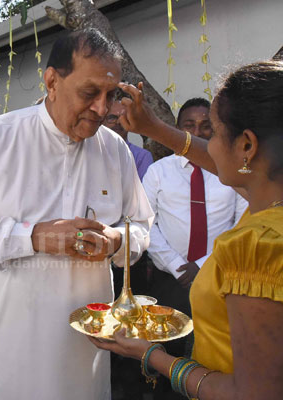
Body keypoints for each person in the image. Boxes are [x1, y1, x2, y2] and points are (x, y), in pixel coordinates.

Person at [0, 29, 153, 400]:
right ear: (52, 81)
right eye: (89, 93)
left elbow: (142, 227)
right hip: (9, 343)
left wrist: (116, 240)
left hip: (86, 350)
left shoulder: (114, 151)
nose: (103, 109)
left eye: (111, 95)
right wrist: (32, 237)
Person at [90, 60, 283, 399]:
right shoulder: (269, 200)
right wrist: (153, 127)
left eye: (216, 132)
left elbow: (251, 393)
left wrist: (152, 356)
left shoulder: (257, 246)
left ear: (247, 146)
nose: (205, 144)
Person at [144, 97, 247, 318]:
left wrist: (202, 265)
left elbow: (241, 225)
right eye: (189, 125)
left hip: (221, 276)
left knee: (215, 344)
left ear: (217, 130)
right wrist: (176, 265)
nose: (197, 132)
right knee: (170, 343)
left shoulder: (232, 172)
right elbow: (145, 221)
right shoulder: (158, 171)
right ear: (178, 129)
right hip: (170, 279)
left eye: (206, 125)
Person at [103, 93, 154, 180]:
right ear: (102, 121)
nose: (118, 122)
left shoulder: (141, 156)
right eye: (112, 117)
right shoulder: (91, 150)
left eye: (124, 118)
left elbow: (143, 191)